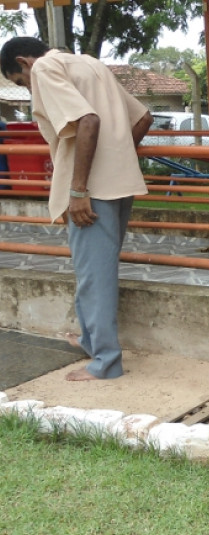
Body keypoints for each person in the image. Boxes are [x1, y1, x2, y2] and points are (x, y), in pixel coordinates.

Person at [0, 37, 153, 381]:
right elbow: (144, 117)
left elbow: (87, 120)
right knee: (95, 269)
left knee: (93, 274)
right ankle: (90, 341)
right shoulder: (90, 64)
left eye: (20, 82)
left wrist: (79, 188)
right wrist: (119, 155)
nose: (27, 88)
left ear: (24, 63)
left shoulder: (43, 68)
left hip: (91, 188)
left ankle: (105, 363)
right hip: (117, 182)